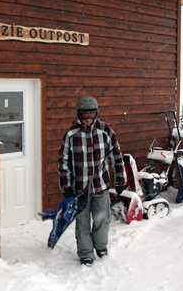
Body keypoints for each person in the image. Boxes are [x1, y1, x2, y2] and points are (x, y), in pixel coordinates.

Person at [57, 96, 126, 266]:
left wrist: (120, 179)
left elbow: (116, 157)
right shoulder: (71, 134)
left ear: (96, 113)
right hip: (79, 188)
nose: (88, 119)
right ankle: (86, 252)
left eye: (91, 115)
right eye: (84, 115)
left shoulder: (105, 131)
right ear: (78, 115)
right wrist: (66, 186)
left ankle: (101, 247)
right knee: (82, 222)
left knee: (102, 219)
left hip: (100, 185)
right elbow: (63, 161)